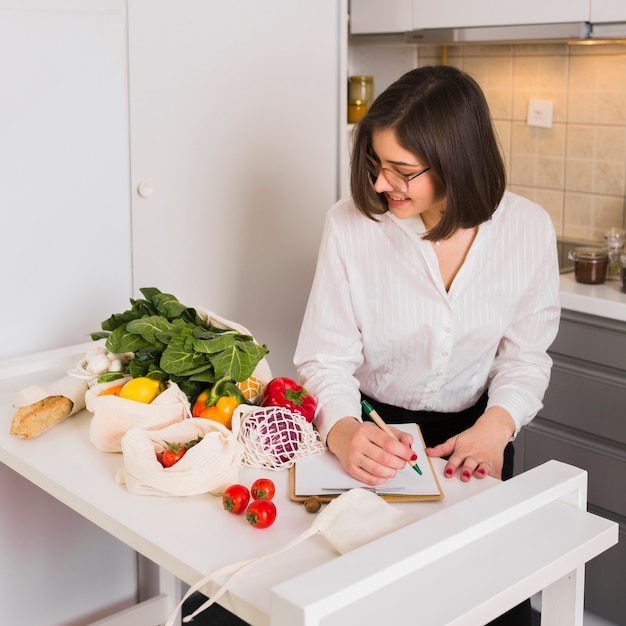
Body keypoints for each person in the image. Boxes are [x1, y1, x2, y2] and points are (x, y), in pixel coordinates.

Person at [294, 65, 560, 626]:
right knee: (374, 605)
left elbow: (525, 355)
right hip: (371, 436)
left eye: (401, 170)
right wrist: (342, 431)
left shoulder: (528, 229)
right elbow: (326, 356)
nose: (379, 184)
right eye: (375, 164)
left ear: (457, 161)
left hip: (475, 440)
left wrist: (498, 426)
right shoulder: (350, 227)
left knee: (488, 603)